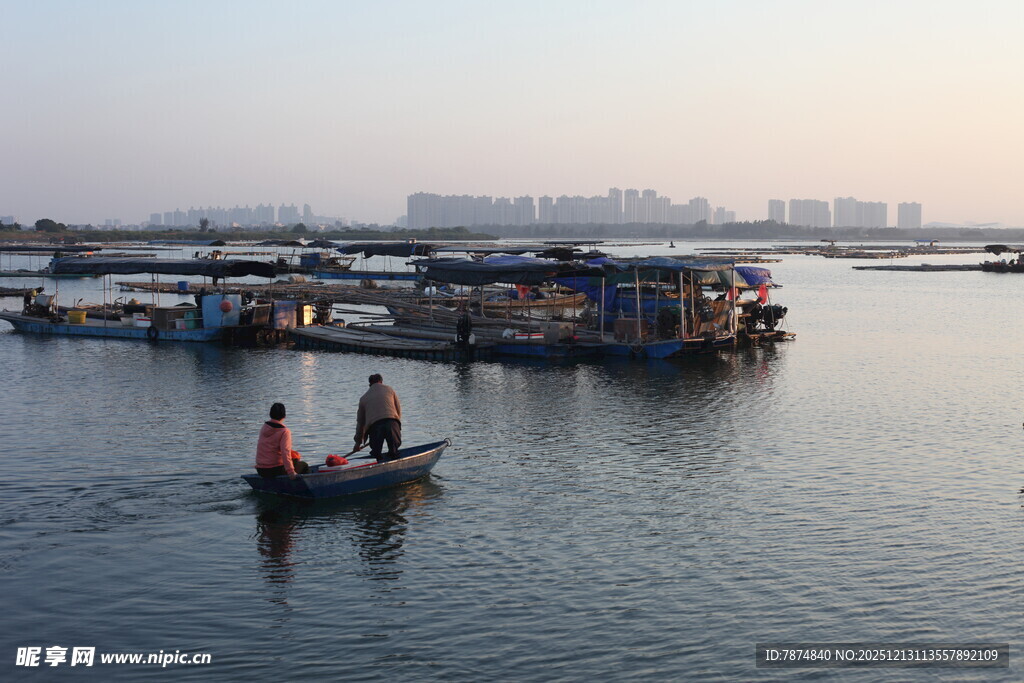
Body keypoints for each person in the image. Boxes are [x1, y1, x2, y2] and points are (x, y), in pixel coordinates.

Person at [355, 374, 402, 463]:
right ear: (381, 381)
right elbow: (398, 410)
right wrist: (397, 428)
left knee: (376, 455)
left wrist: (358, 443)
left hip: (375, 426)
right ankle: (394, 457)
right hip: (392, 423)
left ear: (370, 384)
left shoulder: (363, 398)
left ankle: (376, 463)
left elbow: (360, 423)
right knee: (394, 452)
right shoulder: (390, 390)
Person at [255, 402, 309, 479]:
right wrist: (291, 472)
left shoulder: (264, 427)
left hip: (261, 470)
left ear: (270, 414)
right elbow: (285, 452)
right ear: (284, 416)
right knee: (304, 465)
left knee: (294, 459)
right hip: (274, 470)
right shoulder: (285, 431)